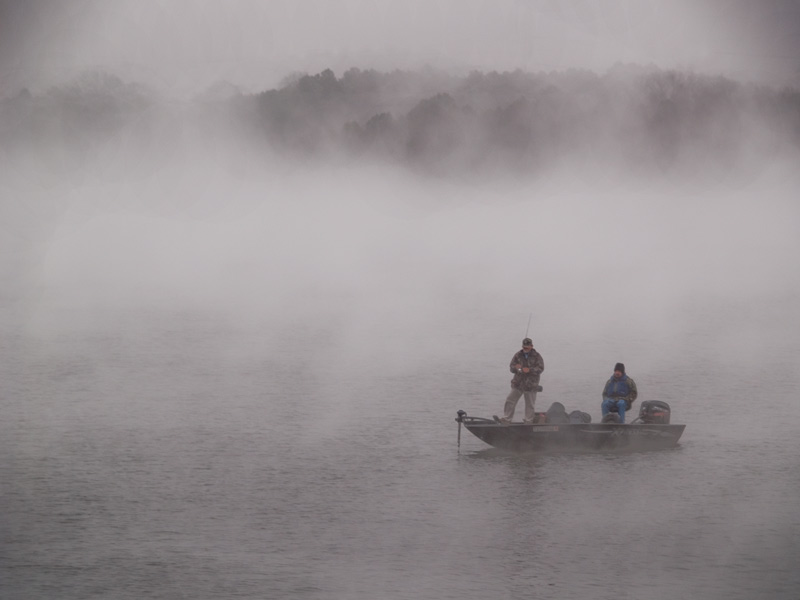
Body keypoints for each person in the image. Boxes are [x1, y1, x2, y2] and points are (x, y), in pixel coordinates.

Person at [499, 338, 544, 424]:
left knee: (530, 404)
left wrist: (530, 370)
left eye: (527, 347)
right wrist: (516, 368)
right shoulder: (517, 355)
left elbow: (541, 369)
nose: (525, 349)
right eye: (524, 347)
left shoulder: (537, 356)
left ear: (531, 346)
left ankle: (528, 421)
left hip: (531, 385)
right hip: (518, 384)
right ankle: (506, 419)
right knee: (510, 400)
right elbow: (511, 367)